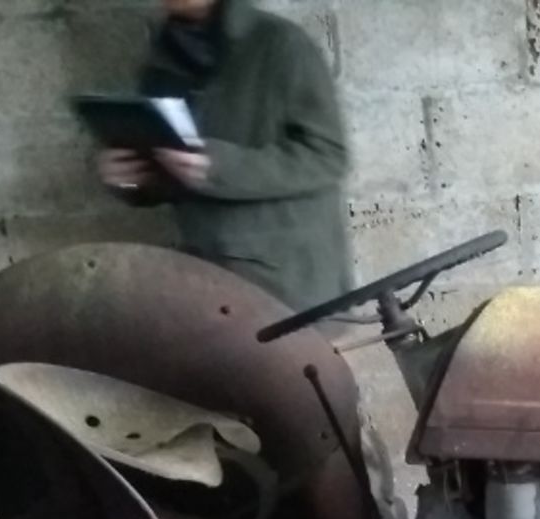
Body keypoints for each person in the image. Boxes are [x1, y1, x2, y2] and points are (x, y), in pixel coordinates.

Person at [97, 0, 354, 313]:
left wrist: (217, 166)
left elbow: (328, 155)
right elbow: (171, 166)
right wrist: (131, 178)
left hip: (289, 280)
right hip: (209, 275)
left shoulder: (281, 44)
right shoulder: (162, 59)